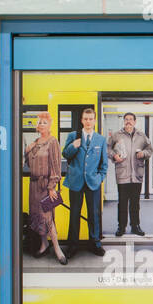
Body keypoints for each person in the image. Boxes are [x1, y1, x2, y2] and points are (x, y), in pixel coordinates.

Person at [61, 106, 108, 257]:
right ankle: (72, 245)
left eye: (91, 119)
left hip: (93, 183)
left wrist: (100, 178)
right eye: (85, 119)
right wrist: (73, 146)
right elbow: (65, 154)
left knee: (94, 215)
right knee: (74, 214)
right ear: (82, 120)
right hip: (76, 182)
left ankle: (95, 243)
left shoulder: (100, 139)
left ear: (94, 121)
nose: (88, 122)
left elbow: (104, 164)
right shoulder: (73, 135)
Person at [25, 111, 66, 263]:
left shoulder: (52, 141)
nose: (41, 124)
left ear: (49, 125)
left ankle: (57, 249)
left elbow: (56, 166)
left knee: (48, 218)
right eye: (39, 122)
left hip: (45, 186)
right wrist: (27, 150)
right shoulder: (35, 142)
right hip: (33, 185)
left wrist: (52, 187)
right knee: (37, 216)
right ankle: (44, 244)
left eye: (44, 122)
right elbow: (29, 164)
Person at [107, 112, 152, 237]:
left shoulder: (142, 136)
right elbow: (108, 148)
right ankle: (121, 227)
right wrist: (114, 155)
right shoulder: (116, 135)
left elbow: (150, 149)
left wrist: (143, 154)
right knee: (122, 203)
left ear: (135, 121)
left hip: (137, 175)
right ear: (123, 121)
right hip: (122, 175)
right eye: (126, 119)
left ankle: (135, 226)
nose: (128, 121)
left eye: (131, 119)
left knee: (135, 203)